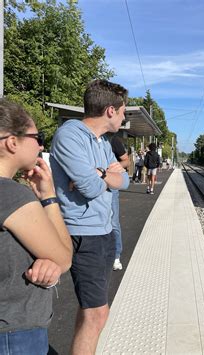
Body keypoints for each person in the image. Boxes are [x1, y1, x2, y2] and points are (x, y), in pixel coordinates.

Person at [50, 79, 129, 354]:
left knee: (92, 312)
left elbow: (127, 179)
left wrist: (102, 174)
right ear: (110, 110)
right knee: (96, 314)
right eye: (122, 112)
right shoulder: (70, 136)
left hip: (103, 232)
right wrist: (106, 176)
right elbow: (90, 187)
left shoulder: (103, 142)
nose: (123, 117)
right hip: (83, 233)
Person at [0, 99, 72, 354]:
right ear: (12, 142)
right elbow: (64, 257)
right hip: (13, 333)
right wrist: (48, 196)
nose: (41, 145)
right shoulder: (10, 195)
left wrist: (46, 261)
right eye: (37, 137)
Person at [110, 135, 129, 271]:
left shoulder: (113, 140)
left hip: (110, 186)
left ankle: (116, 256)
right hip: (91, 185)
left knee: (113, 222)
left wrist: (114, 168)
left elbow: (126, 161)